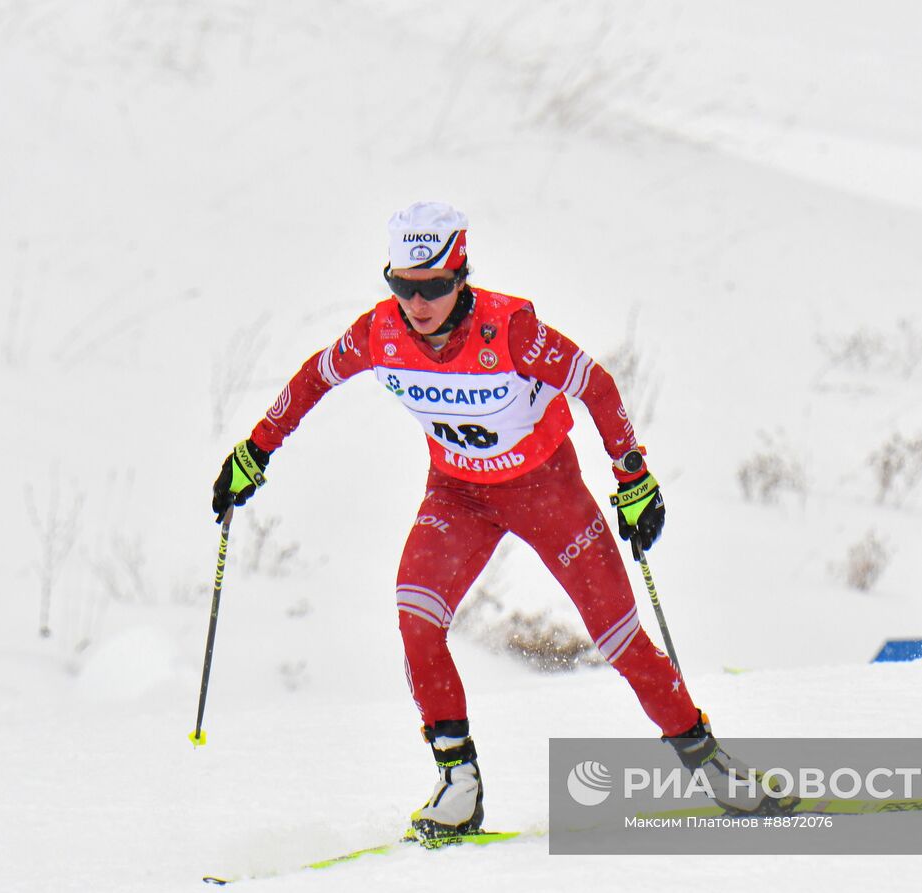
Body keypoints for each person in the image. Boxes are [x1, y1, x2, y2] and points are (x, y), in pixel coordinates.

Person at [212, 201, 787, 837]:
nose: (417, 303)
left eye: (434, 286)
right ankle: (458, 783)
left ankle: (709, 765)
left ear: (460, 276)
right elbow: (314, 379)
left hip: (548, 493)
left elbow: (595, 385)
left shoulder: (509, 330)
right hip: (458, 496)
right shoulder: (379, 333)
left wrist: (633, 477)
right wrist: (255, 451)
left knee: (619, 640)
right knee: (416, 618)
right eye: (403, 285)